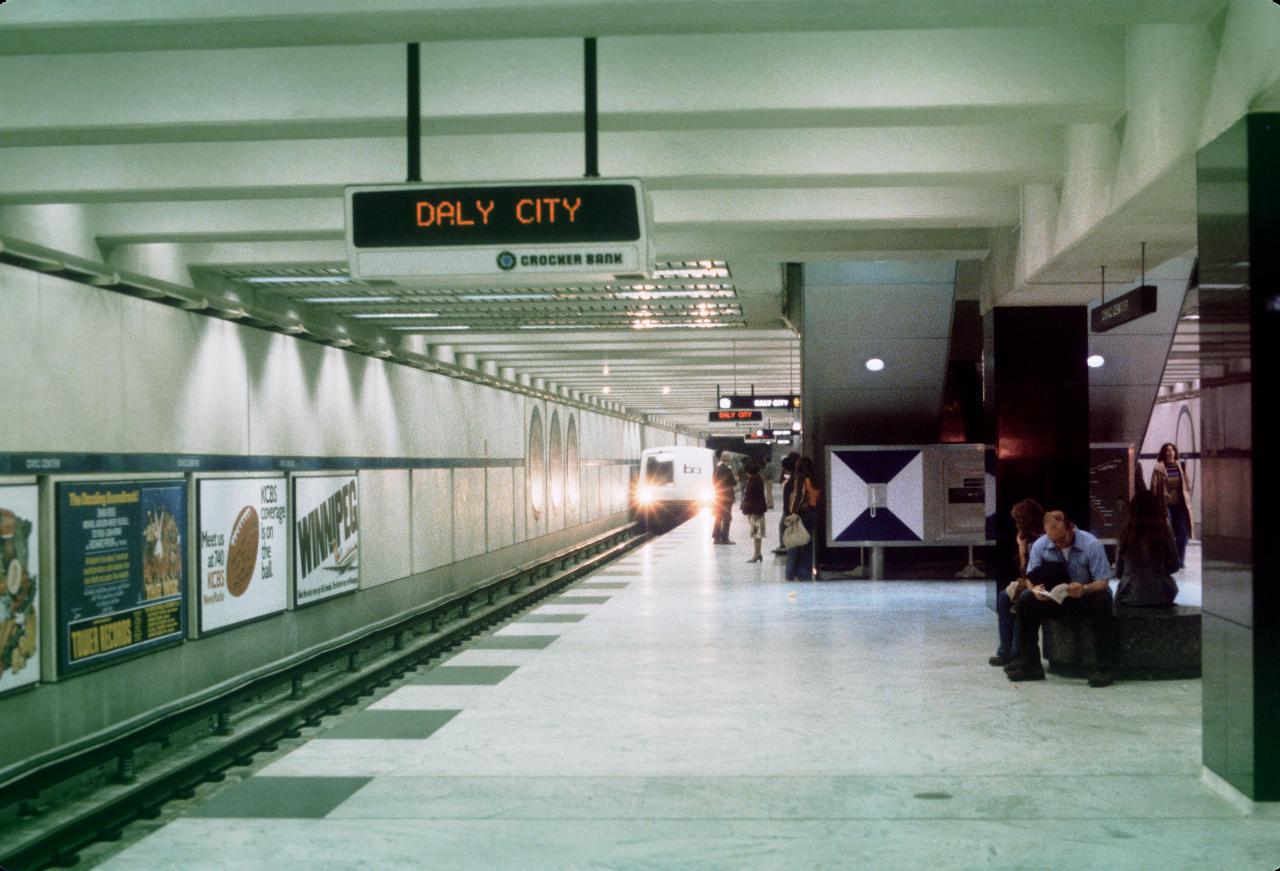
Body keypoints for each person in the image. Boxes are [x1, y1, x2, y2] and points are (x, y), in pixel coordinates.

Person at [1007, 510, 1117, 687]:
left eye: (1062, 539)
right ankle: (1030, 665)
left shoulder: (1091, 544)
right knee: (1026, 601)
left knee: (1102, 600)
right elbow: (1030, 578)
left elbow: (1103, 581)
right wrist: (1035, 590)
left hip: (1084, 596)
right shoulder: (1040, 545)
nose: (1058, 544)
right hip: (1054, 598)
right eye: (1054, 541)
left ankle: (1104, 667)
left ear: (1071, 528)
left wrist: (1085, 588)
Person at [989, 498, 1044, 667]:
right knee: (1004, 598)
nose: (1016, 524)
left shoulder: (1043, 538)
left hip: (1043, 581)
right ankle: (1006, 651)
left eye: (1018, 520)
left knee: (1020, 602)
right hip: (1030, 579)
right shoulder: (1028, 539)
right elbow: (1025, 570)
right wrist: (1021, 548)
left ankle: (1015, 653)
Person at [1114, 490, 1180, 607]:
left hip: (1128, 595)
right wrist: (1158, 571)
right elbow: (1175, 565)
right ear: (1156, 509)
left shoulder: (1125, 533)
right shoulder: (1164, 530)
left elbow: (1118, 572)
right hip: (1161, 595)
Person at [1150, 442, 1193, 568]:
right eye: (1167, 450)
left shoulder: (1181, 466)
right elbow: (1153, 488)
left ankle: (1180, 559)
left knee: (1183, 532)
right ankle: (1167, 559)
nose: (1170, 452)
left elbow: (1187, 484)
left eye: (1172, 450)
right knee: (1166, 532)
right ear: (1163, 453)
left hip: (1180, 505)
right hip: (1165, 505)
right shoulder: (1159, 468)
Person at [784, 456, 821, 581]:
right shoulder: (814, 480)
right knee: (807, 544)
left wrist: (792, 512)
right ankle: (805, 573)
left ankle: (790, 572)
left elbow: (798, 497)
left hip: (802, 514)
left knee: (794, 543)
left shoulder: (801, 480)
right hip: (814, 512)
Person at [739, 458, 767, 562]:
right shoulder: (757, 479)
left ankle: (757, 554)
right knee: (757, 533)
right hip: (758, 509)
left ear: (747, 471)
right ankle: (758, 553)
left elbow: (750, 497)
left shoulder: (753, 480)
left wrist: (748, 511)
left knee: (756, 533)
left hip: (756, 511)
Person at [773, 452, 800, 556]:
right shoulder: (793, 476)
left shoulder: (795, 478)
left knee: (784, 526)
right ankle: (786, 546)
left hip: (790, 508)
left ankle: (786, 546)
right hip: (789, 508)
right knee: (784, 526)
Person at [711, 450, 737, 544]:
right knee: (726, 517)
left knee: (718, 516)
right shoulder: (727, 469)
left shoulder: (717, 467)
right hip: (727, 497)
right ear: (727, 458)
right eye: (730, 457)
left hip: (718, 496)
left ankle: (716, 538)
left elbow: (713, 481)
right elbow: (733, 482)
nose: (731, 459)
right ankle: (725, 538)